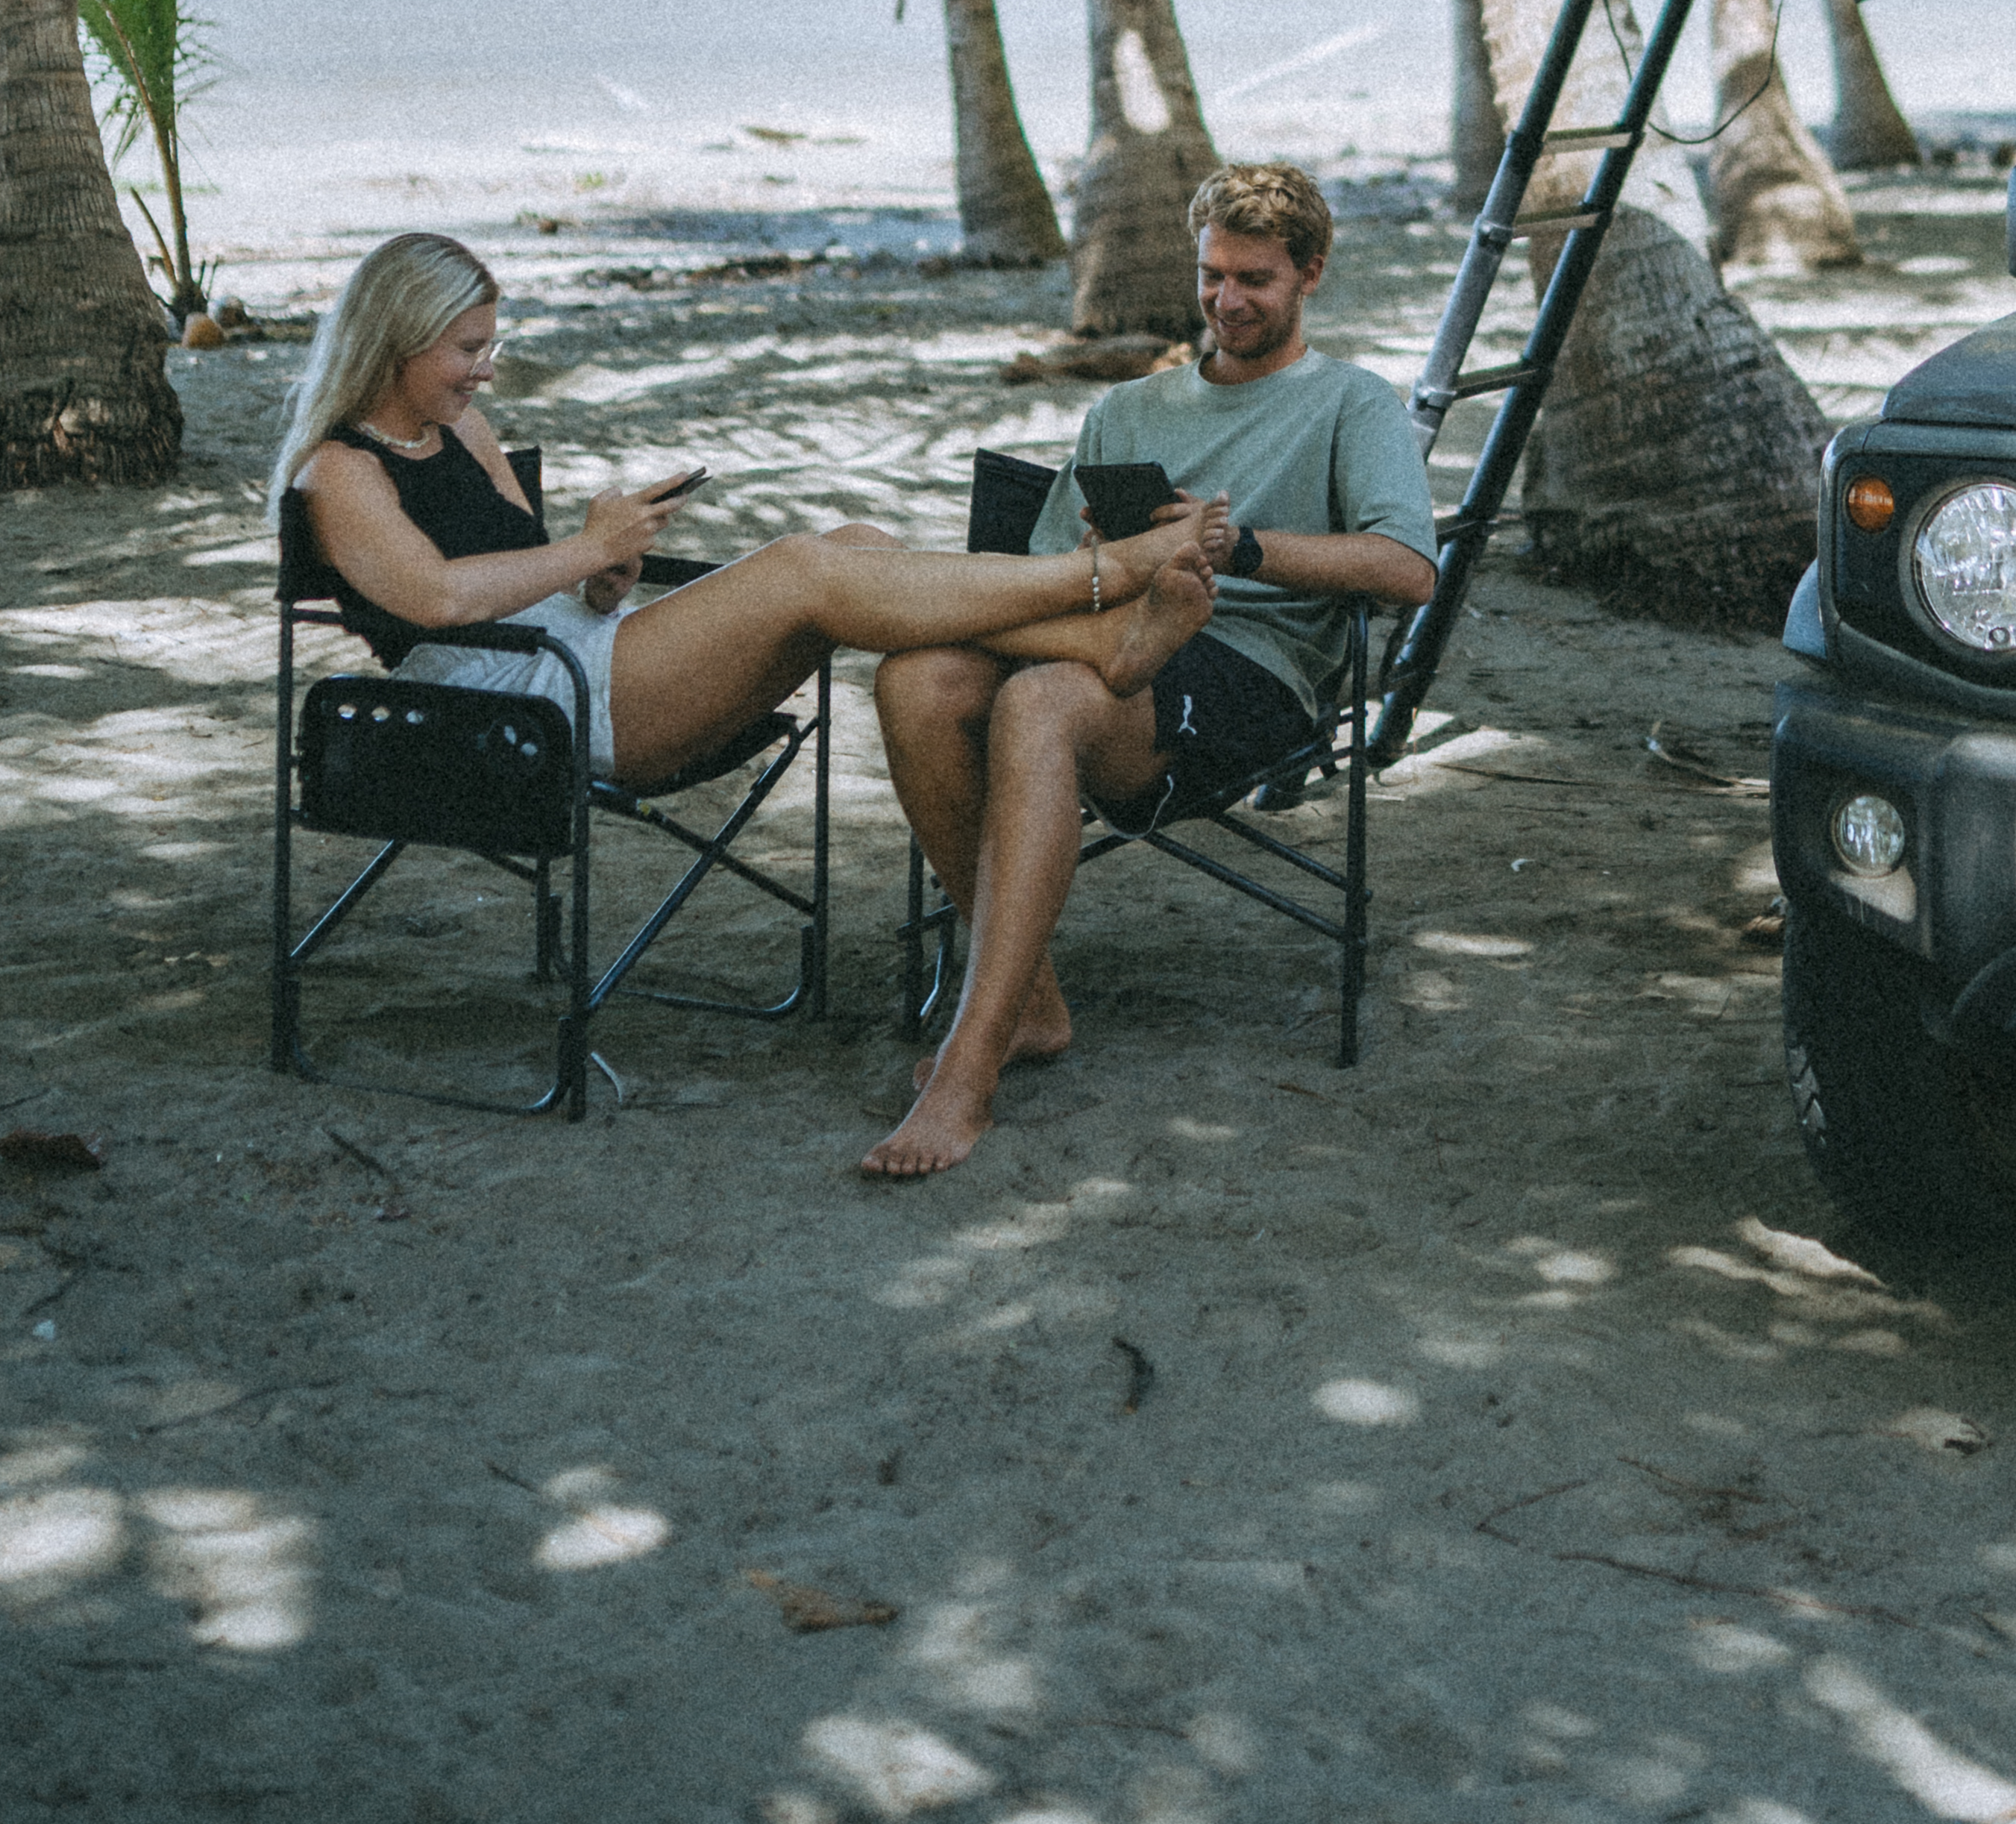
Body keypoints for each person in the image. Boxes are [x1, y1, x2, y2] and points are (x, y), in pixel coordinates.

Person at [864, 163, 1439, 1181]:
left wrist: (1235, 547)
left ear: (1312, 272)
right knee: (914, 676)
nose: (1226, 300)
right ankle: (1028, 998)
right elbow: (1042, 579)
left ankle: (972, 1061)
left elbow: (1406, 571)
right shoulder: (1128, 412)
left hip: (1250, 667)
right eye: (1213, 275)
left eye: (1255, 278)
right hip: (1108, 636)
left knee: (1041, 698)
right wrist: (1104, 553)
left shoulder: (1353, 403)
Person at [277, 234, 1219, 798]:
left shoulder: (463, 426)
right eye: (465, 349)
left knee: (860, 546)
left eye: (489, 346)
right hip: (502, 708)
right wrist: (581, 550)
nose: (485, 370)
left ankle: (1093, 642)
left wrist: (608, 572)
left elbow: (538, 571)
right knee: (808, 567)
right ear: (396, 340)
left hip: (575, 646)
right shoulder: (339, 470)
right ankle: (1106, 585)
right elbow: (439, 600)